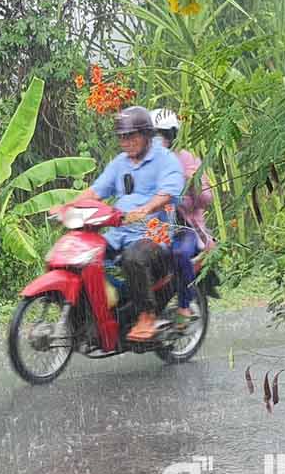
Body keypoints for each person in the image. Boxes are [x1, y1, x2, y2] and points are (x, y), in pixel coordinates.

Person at [62, 106, 186, 341]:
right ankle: (97, 314)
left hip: (153, 234)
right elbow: (96, 191)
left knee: (133, 258)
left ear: (146, 134)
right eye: (121, 137)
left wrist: (147, 208)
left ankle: (147, 316)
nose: (125, 142)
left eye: (130, 136)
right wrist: (69, 207)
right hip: (120, 232)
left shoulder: (165, 160)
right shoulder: (120, 163)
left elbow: (169, 192)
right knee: (84, 256)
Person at [152, 108, 214, 320]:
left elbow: (207, 199)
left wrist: (192, 182)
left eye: (160, 135)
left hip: (184, 229)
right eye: (151, 135)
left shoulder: (185, 159)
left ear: (171, 136)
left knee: (178, 254)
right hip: (154, 229)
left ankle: (184, 306)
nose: (156, 140)